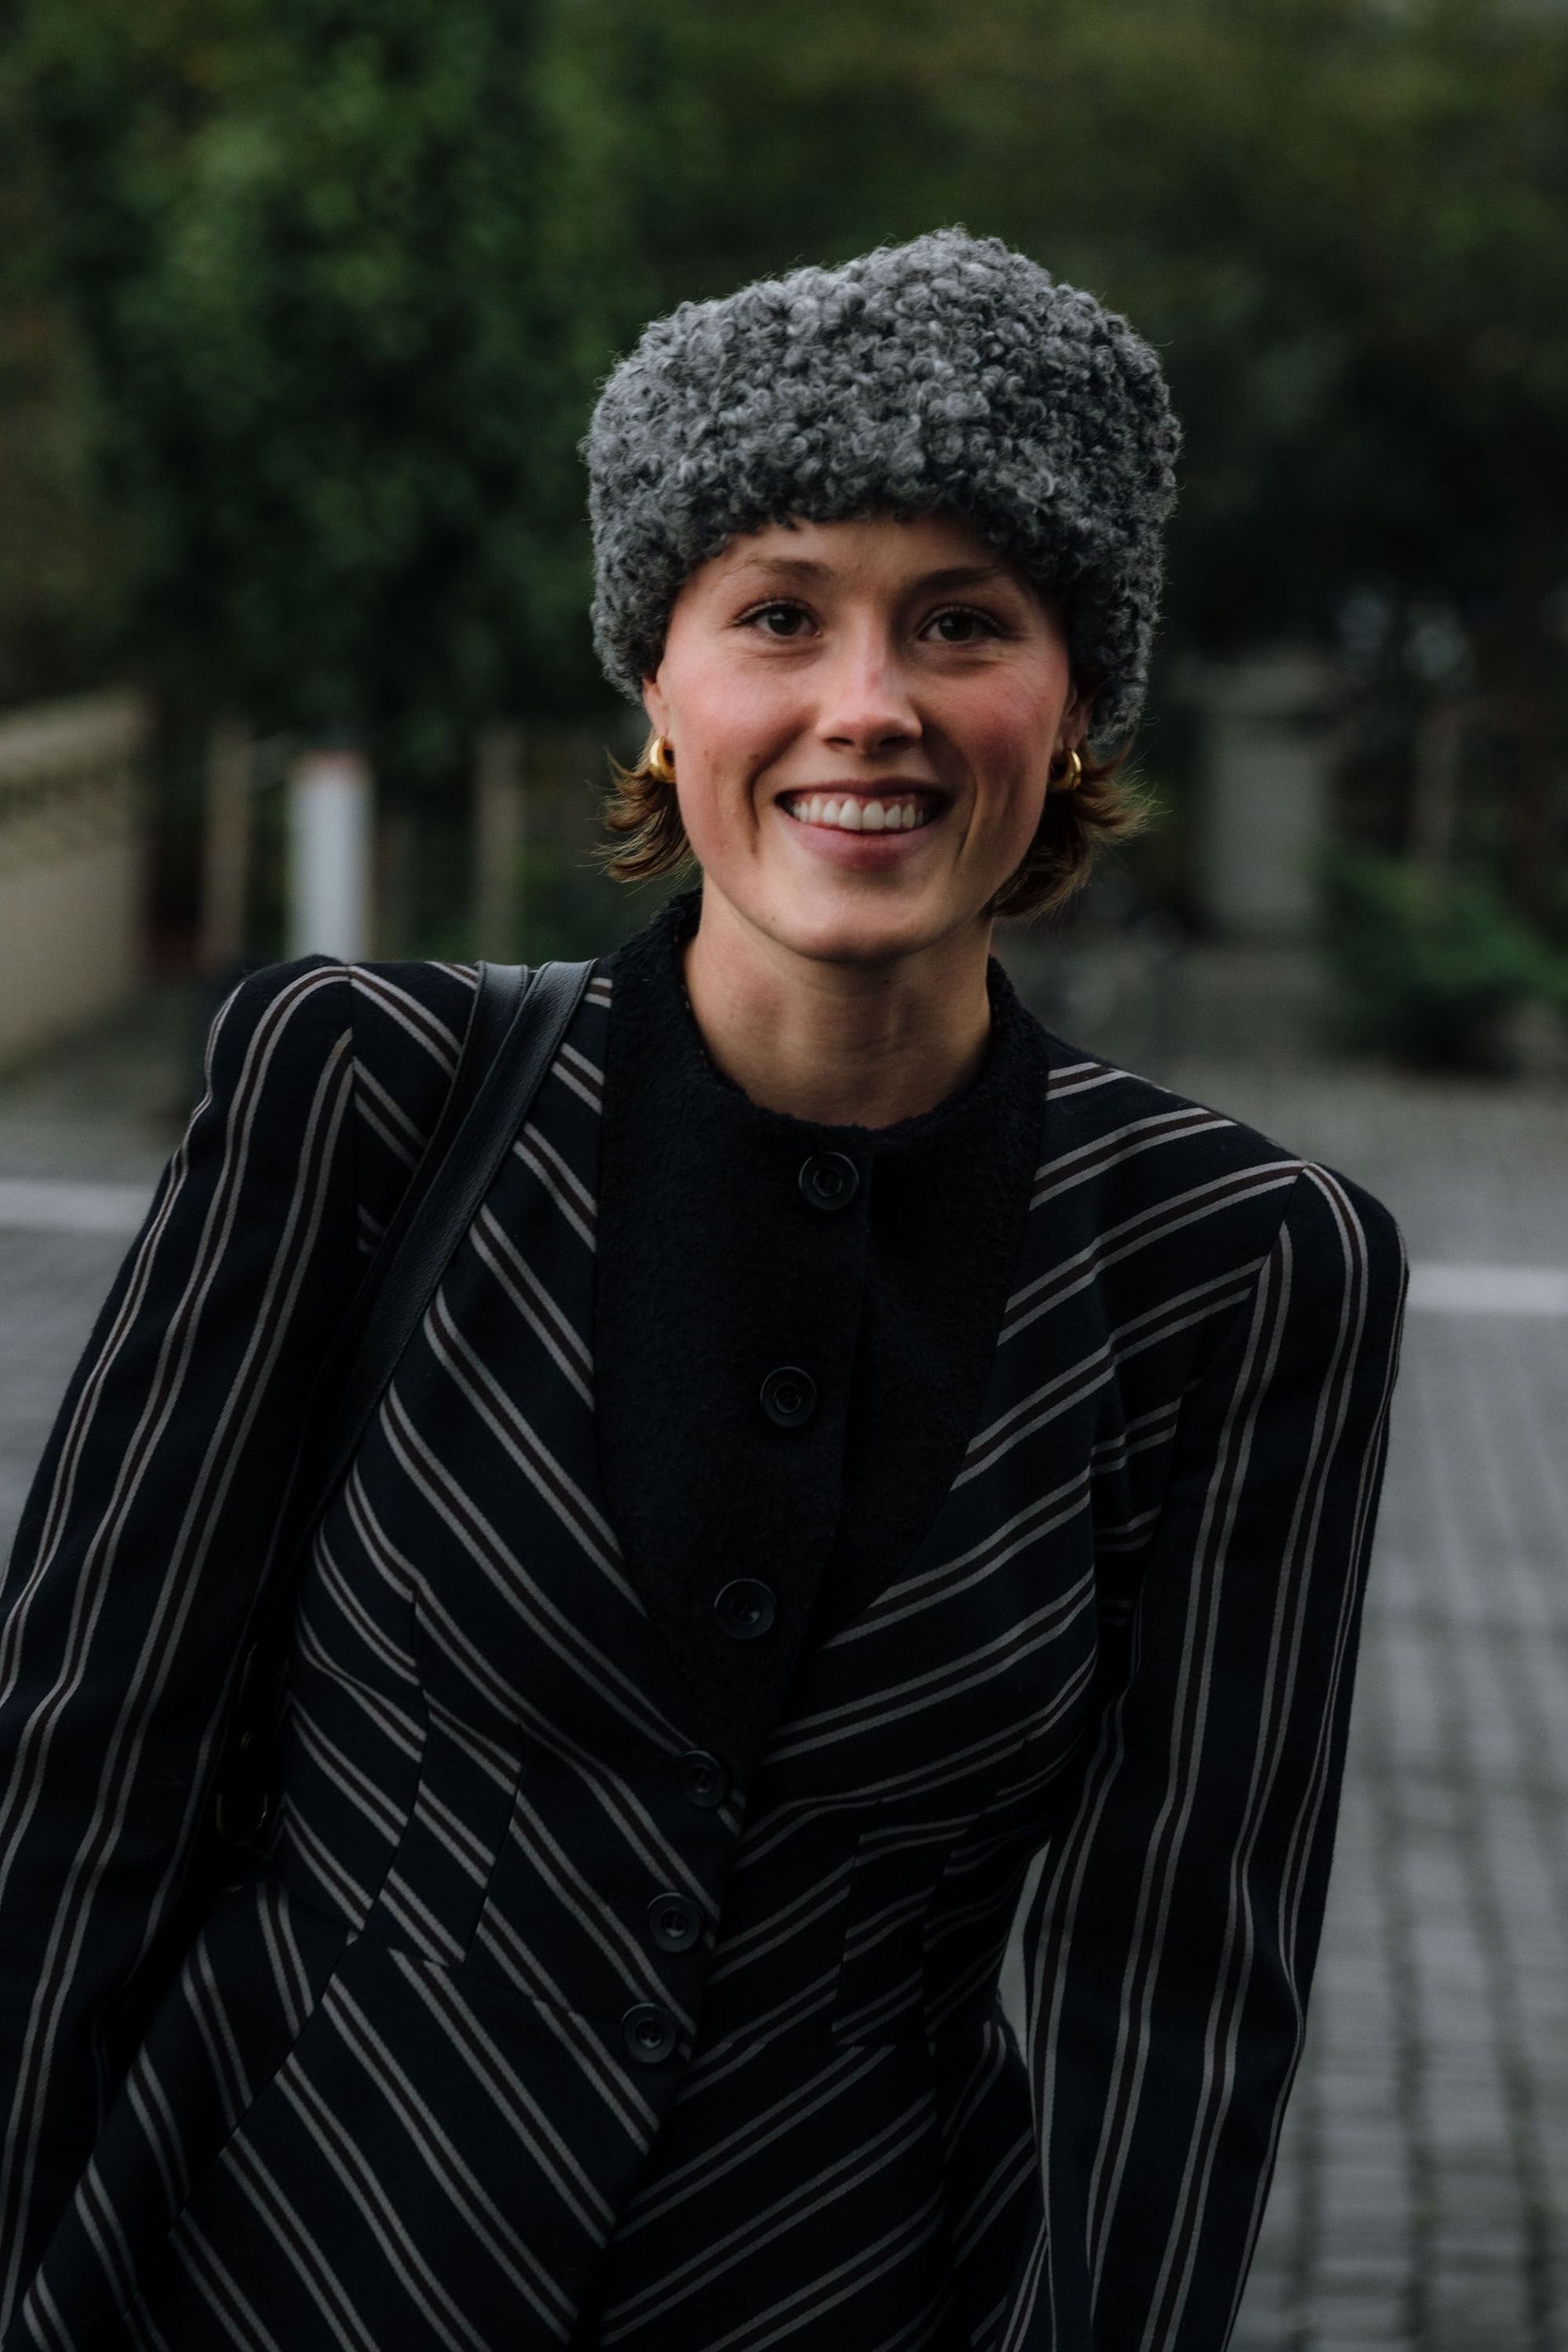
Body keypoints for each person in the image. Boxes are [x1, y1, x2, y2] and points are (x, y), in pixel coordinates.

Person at [0, 229, 1405, 2351]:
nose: (870, 704)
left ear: (1074, 700)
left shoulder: (1242, 1263)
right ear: (656, 685)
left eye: (963, 621)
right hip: (276, 2270)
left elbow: (1176, 1983)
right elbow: (80, 1788)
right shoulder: (363, 1093)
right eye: (776, 613)